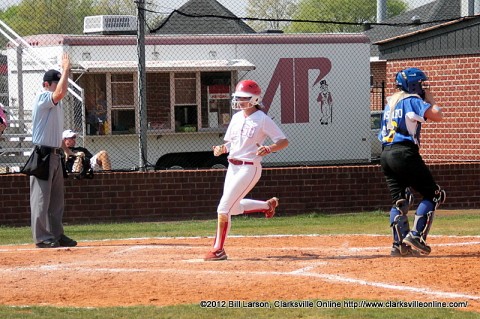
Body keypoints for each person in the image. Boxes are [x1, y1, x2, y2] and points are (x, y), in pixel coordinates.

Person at [204, 79, 289, 261]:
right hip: (233, 167)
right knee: (232, 209)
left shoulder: (262, 119)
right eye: (238, 97)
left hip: (249, 168)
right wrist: (222, 148)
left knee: (223, 208)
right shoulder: (236, 118)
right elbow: (233, 143)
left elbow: (283, 141)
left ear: (255, 99)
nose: (240, 100)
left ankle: (218, 249)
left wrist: (268, 149)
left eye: (244, 97)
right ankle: (267, 205)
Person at [378, 67, 446, 257]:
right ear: (413, 84)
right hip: (404, 153)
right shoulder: (412, 100)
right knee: (434, 194)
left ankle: (398, 245)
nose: (423, 87)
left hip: (386, 154)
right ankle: (416, 236)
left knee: (401, 200)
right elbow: (438, 115)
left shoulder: (390, 102)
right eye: (421, 84)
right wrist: (429, 98)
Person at [30, 53, 77, 248]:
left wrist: (66, 150)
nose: (58, 86)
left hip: (55, 154)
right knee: (41, 200)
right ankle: (42, 237)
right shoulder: (43, 97)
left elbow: (55, 132)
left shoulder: (56, 104)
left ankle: (56, 234)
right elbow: (59, 93)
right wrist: (66, 69)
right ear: (46, 84)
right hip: (43, 155)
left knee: (57, 201)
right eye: (54, 83)